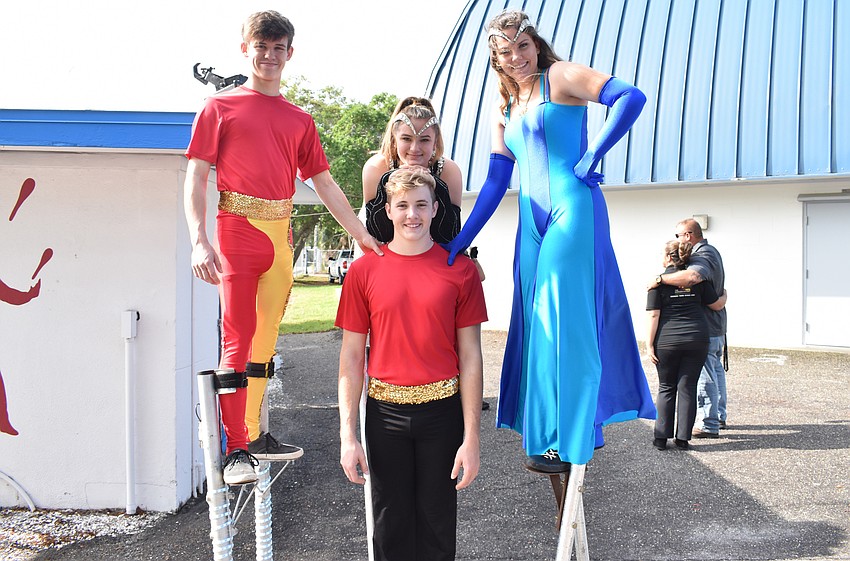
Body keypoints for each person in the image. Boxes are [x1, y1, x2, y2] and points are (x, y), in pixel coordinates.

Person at [445, 10, 656, 472]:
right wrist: (461, 239)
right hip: (531, 222)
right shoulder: (504, 107)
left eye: (522, 46)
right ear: (496, 61)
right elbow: (498, 178)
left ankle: (571, 436)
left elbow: (630, 97)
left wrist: (594, 153)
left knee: (566, 320)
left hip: (572, 209)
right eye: (505, 52)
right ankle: (553, 431)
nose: (516, 57)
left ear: (536, 44)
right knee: (537, 321)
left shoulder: (560, 76)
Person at [184, 10, 382, 485]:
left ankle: (251, 433)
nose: (269, 57)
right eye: (261, 47)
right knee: (238, 334)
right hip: (237, 230)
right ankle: (234, 450)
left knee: (266, 340)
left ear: (290, 54)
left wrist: (360, 233)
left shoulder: (299, 119)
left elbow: (326, 184)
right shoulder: (219, 108)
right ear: (245, 49)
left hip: (281, 234)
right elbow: (194, 177)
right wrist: (198, 239)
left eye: (278, 49)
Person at [337, 168, 487, 561]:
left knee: (438, 527)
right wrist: (347, 435)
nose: (412, 215)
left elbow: (471, 357)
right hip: (384, 415)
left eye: (421, 204)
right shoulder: (363, 271)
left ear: (436, 209)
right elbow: (351, 359)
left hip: (443, 414)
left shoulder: (461, 271)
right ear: (387, 210)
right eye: (402, 205)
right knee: (390, 528)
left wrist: (472, 438)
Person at [649, 218, 727, 437]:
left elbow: (693, 277)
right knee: (713, 373)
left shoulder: (701, 256)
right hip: (713, 327)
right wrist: (724, 297)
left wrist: (659, 279)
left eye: (678, 236)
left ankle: (708, 424)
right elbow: (716, 300)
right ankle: (716, 418)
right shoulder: (713, 252)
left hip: (706, 329)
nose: (678, 241)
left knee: (703, 378)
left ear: (688, 236)